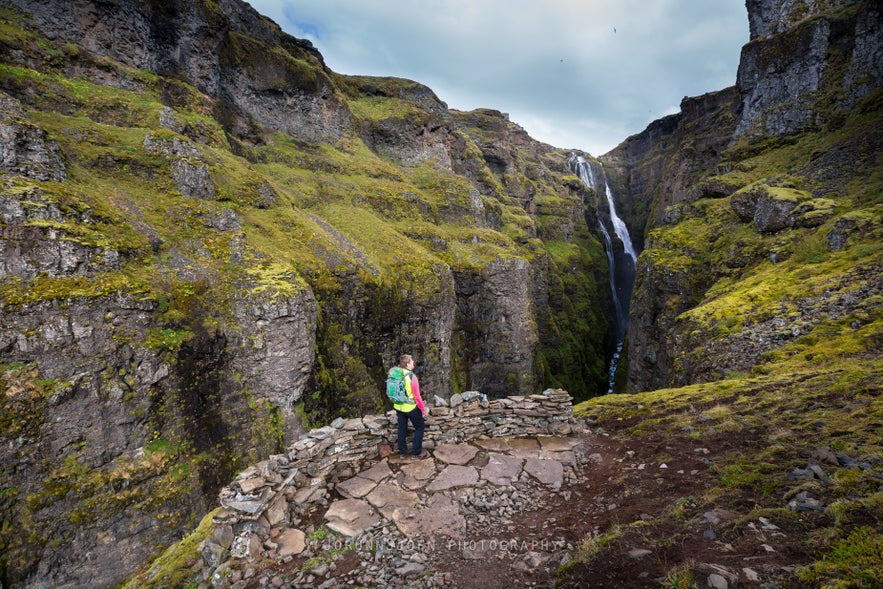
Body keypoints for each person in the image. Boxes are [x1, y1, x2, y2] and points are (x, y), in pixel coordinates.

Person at [389, 354, 429, 459]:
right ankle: (416, 453)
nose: (413, 363)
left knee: (402, 428)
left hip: (398, 406)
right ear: (407, 364)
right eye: (412, 361)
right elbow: (417, 396)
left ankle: (402, 453)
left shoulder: (397, 374)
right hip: (410, 407)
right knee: (420, 427)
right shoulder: (412, 377)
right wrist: (423, 410)